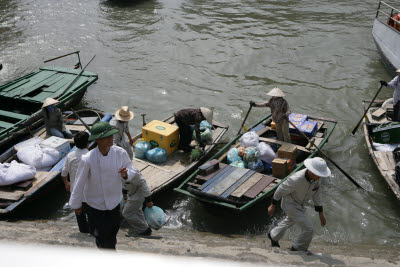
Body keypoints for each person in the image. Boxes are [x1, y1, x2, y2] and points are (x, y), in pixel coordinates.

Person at [69, 121, 146, 249]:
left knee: (113, 230)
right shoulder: (88, 159)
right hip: (94, 205)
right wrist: (76, 204)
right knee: (100, 235)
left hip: (114, 201)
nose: (111, 139)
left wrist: (126, 174)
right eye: (107, 137)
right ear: (98, 140)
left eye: (111, 135)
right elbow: (79, 182)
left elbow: (131, 168)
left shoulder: (119, 153)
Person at [267, 157, 331, 253]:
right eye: (318, 174)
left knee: (290, 221)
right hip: (290, 203)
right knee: (308, 228)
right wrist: (273, 205)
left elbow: (317, 193)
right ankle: (298, 248)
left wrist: (321, 213)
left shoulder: (317, 179)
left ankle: (273, 235)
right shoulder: (296, 179)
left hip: (300, 203)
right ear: (311, 171)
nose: (320, 177)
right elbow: (280, 189)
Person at [61, 131, 91, 234]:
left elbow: (63, 174)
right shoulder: (90, 155)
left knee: (79, 214)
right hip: (89, 192)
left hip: (75, 192)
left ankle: (83, 232)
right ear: (88, 143)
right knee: (92, 214)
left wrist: (66, 183)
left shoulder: (70, 156)